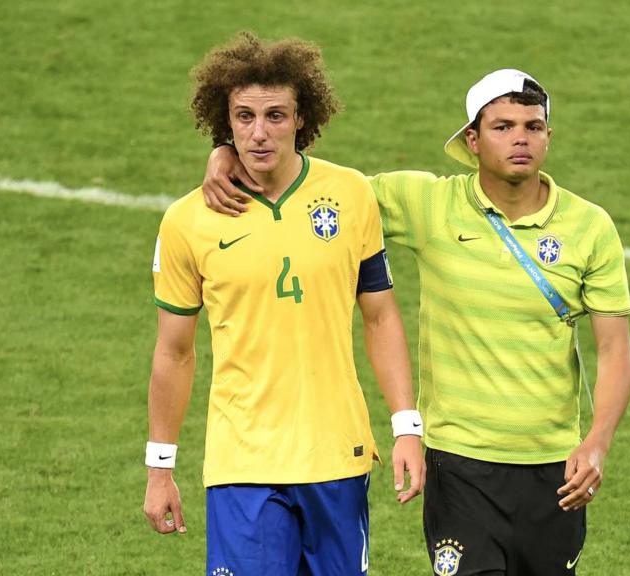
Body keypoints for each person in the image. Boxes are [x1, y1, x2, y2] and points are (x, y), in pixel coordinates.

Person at [202, 68, 630, 575]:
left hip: (554, 466)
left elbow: (614, 349)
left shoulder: (590, 226)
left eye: (533, 126)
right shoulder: (432, 204)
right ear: (471, 140)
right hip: (458, 464)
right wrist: (228, 150)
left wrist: (598, 440)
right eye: (502, 126)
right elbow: (318, 188)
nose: (520, 138)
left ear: (548, 136)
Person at [142, 32, 424, 576]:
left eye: (276, 115)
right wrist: (160, 467)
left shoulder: (350, 194)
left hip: (336, 455)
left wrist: (407, 426)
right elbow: (174, 352)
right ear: (224, 122)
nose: (259, 132)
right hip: (241, 462)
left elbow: (381, 315)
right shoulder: (186, 220)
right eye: (243, 117)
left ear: (302, 118)